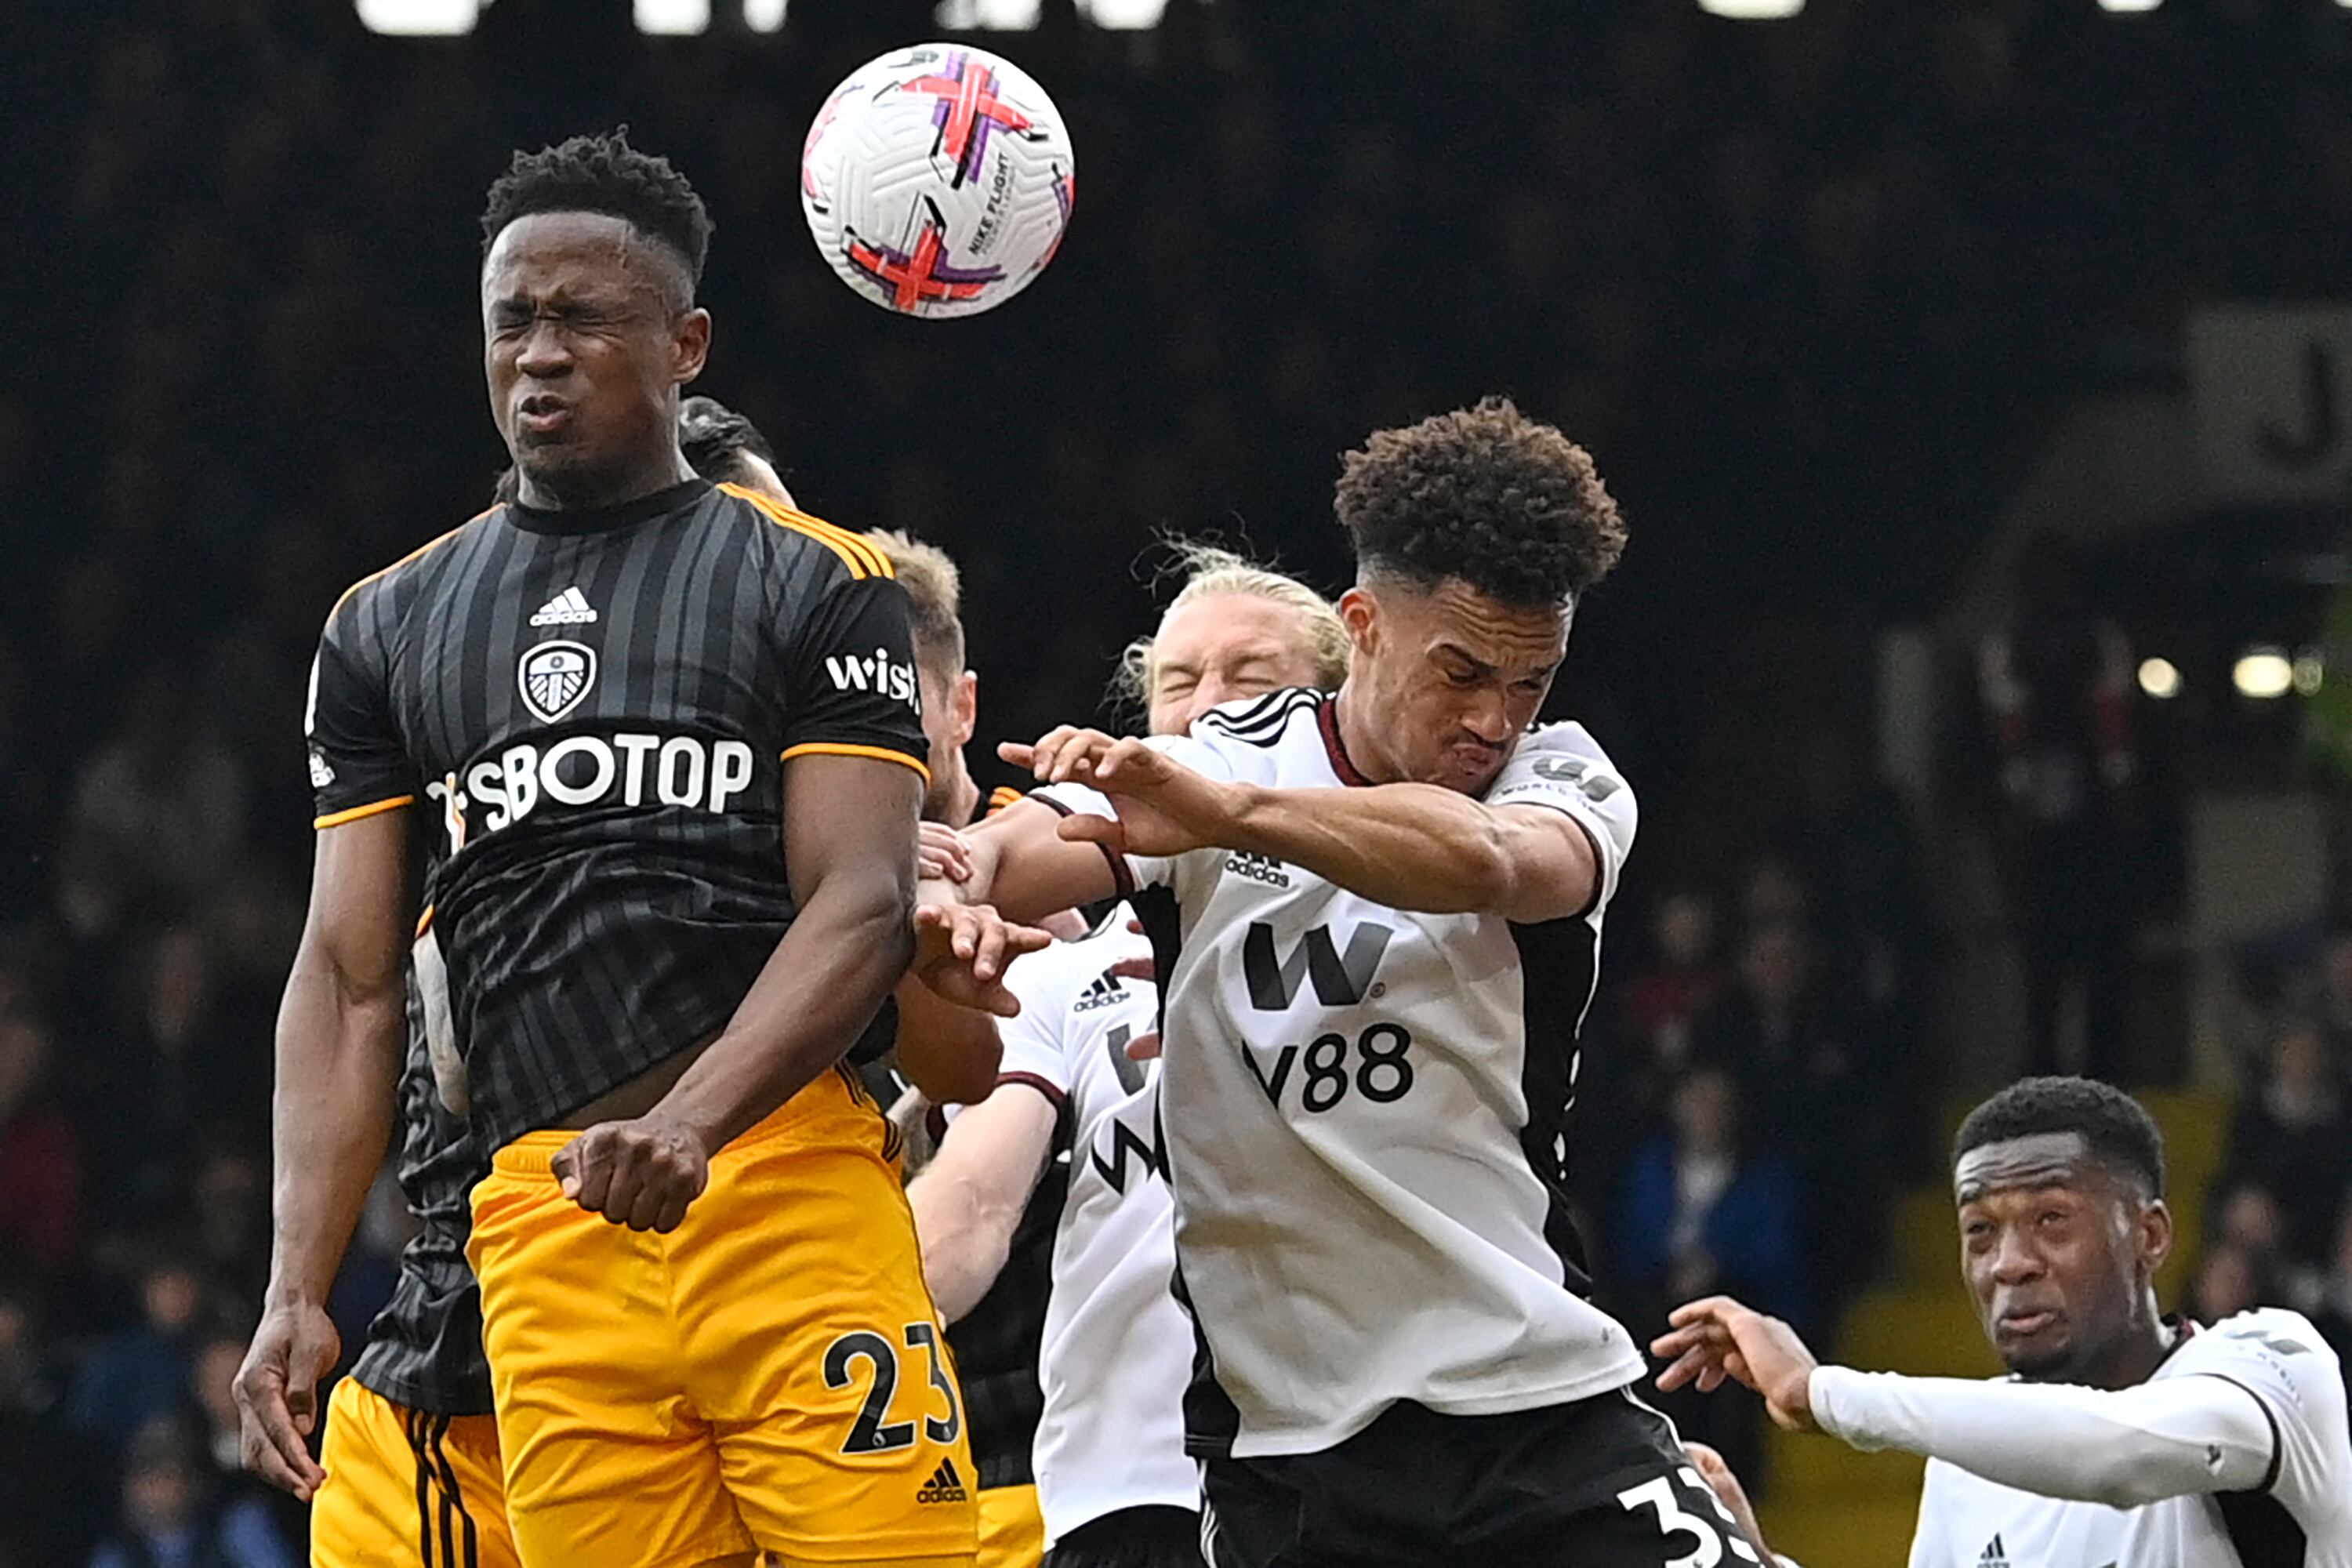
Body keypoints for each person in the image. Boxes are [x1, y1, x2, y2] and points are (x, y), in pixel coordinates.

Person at [234, 129, 1025, 1568]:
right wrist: (296, 1282)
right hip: (546, 1233)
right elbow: (349, 981)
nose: (540, 355)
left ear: (684, 343)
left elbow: (856, 903)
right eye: (513, 323)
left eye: (585, 319)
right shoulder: (381, 629)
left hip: (787, 1187)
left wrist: (693, 1123)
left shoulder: (820, 581)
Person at [931, 400, 1735, 1564]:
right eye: (1461, 673)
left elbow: (1496, 862)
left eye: (1530, 680)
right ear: (1362, 624)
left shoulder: (1558, 775)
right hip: (1294, 1456)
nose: (1493, 721)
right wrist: (957, 887)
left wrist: (1233, 815)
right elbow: (1034, 845)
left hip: (1538, 1405)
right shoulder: (1226, 756)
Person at [290, 397, 839, 1568]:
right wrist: (297, 1288)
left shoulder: (838, 830)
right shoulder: (501, 839)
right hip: (478, 1389)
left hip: (751, 1349)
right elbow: (346, 990)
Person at [906, 543, 1348, 1568]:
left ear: (1337, 710)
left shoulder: (1414, 924)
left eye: (1255, 677)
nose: (1207, 710)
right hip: (1131, 1487)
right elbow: (970, 1208)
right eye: (1178, 683)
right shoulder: (1070, 967)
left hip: (1351, 1459)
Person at [1653, 1075, 2352, 1564]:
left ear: (2151, 1236)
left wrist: (1821, 1393)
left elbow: (2117, 1457)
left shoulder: (2275, 1361)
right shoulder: (1970, 1460)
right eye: (1981, 1232)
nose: (2009, 1264)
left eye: (2051, 1220)